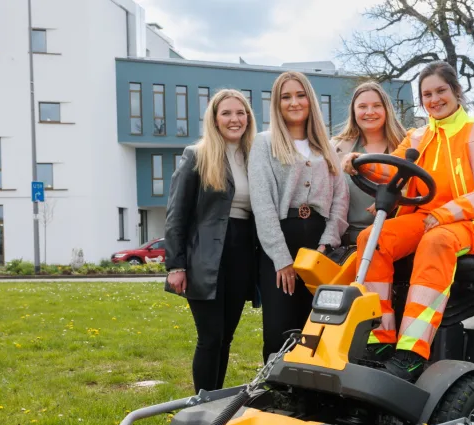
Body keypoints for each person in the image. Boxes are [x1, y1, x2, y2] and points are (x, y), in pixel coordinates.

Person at [343, 61, 474, 382]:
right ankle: (380, 337)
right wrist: (360, 164)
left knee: (436, 241)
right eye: (427, 94)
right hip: (425, 217)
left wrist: (445, 214)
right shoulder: (417, 137)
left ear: (456, 91)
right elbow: (393, 170)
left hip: (473, 223)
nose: (434, 99)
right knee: (371, 240)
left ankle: (412, 352)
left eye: (441, 91)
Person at [249, 71, 350, 361]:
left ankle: (310, 397)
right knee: (279, 330)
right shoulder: (264, 143)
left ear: (310, 100)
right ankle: (275, 393)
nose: (294, 102)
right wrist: (282, 259)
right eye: (286, 97)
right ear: (277, 104)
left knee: (317, 327)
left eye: (300, 95)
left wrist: (328, 242)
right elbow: (263, 203)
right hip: (281, 242)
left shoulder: (327, 146)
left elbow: (340, 197)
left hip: (320, 244)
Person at [164, 89, 258, 393]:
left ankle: (216, 399)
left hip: (242, 253)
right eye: (227, 113)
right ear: (215, 120)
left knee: (226, 338)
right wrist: (175, 265)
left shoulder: (254, 156)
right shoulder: (197, 155)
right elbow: (176, 214)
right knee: (210, 337)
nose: (235, 119)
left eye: (240, 112)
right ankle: (202, 404)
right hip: (205, 256)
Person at [332, 81, 407, 246]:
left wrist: (395, 197)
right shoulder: (336, 149)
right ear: (353, 111)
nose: (370, 112)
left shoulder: (407, 145)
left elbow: (417, 189)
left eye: (377, 106)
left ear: (386, 109)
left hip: (395, 240)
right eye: (362, 106)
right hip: (348, 241)